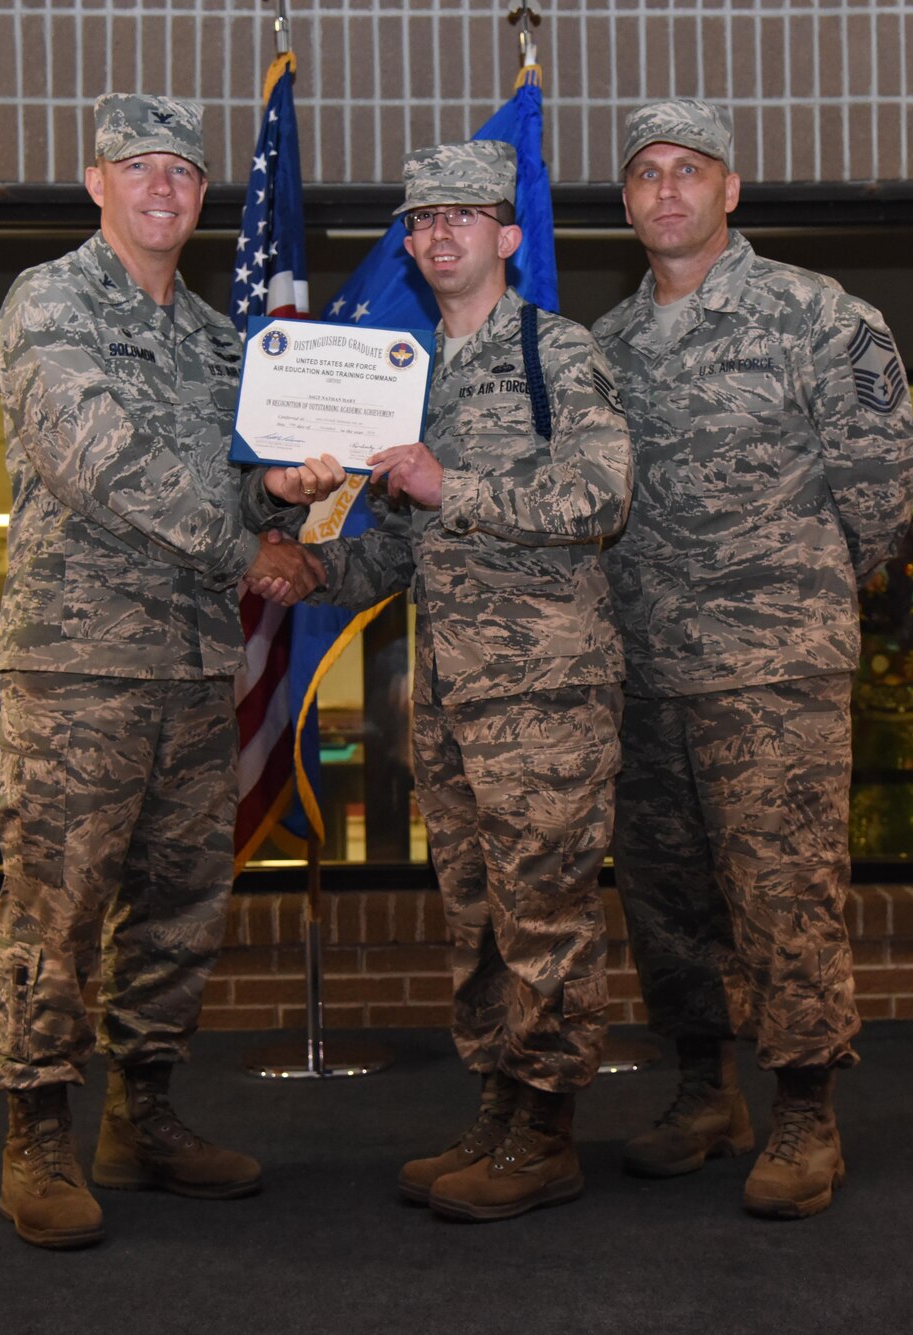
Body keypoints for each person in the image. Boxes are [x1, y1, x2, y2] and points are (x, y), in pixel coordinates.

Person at [0, 92, 343, 1250]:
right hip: (78, 665)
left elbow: (232, 479)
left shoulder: (212, 339)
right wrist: (252, 544)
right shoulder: (49, 303)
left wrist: (278, 495)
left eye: (181, 176)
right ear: (96, 183)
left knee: (181, 905)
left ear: (201, 198)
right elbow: (102, 461)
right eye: (136, 168)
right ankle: (35, 1130)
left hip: (194, 663)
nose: (161, 190)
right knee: (59, 900)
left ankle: (142, 1115)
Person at [253, 139, 632, 1223]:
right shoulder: (405, 376)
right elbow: (405, 548)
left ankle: (549, 1132)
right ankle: (498, 1107)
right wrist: (314, 566)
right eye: (421, 221)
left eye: (463, 215)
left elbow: (602, 497)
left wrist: (447, 481)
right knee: (473, 913)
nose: (439, 235)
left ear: (507, 238)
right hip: (450, 697)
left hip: (547, 694)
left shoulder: (557, 354)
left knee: (545, 911)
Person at [592, 100, 913, 1219]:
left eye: (690, 169)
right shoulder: (604, 348)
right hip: (642, 671)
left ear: (729, 189)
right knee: (665, 900)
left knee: (784, 896)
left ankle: (802, 1112)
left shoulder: (819, 318)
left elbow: (880, 486)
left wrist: (789, 592)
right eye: (645, 173)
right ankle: (701, 1091)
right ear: (627, 200)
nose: (667, 188)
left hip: (771, 671)